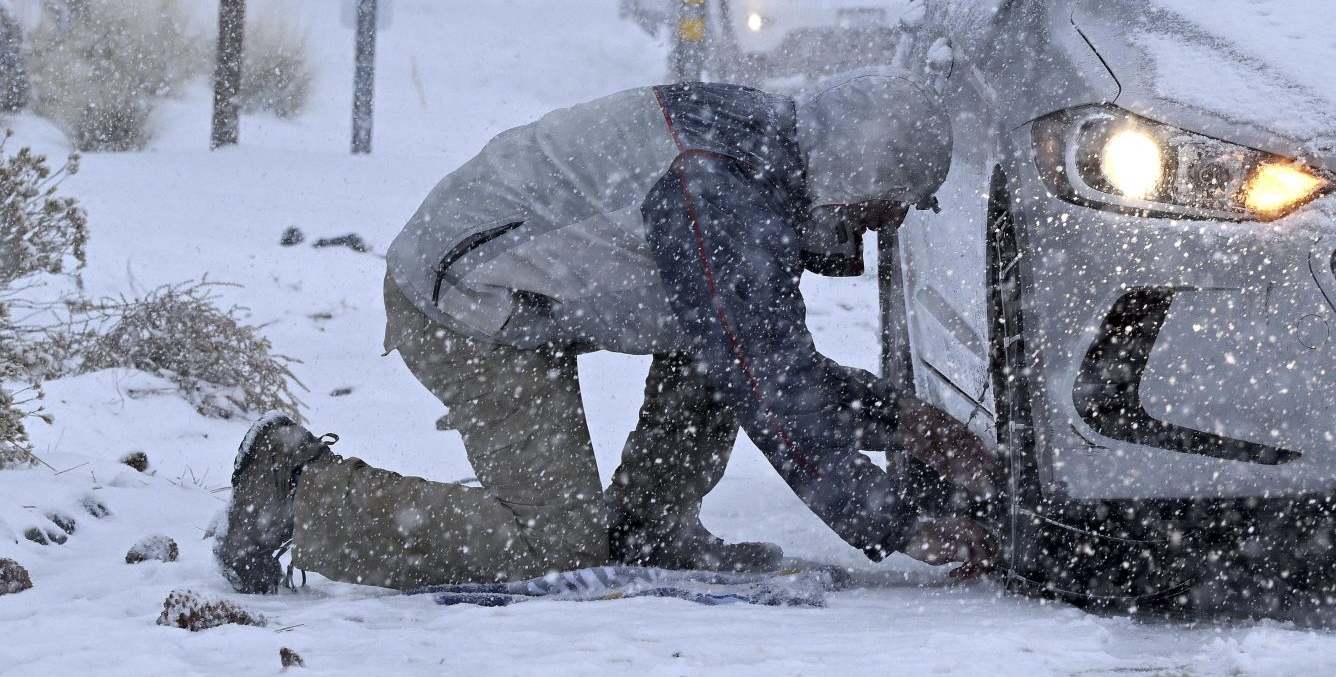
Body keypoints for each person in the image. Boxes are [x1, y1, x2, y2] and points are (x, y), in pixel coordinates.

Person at [217, 68, 997, 593]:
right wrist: (900, 523)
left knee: (717, 351)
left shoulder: (768, 152)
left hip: (526, 291)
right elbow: (771, 389)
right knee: (553, 546)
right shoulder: (722, 194)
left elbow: (764, 356)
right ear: (858, 169)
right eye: (891, 201)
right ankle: (295, 489)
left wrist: (898, 421)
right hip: (466, 303)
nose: (890, 222)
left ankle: (648, 530)